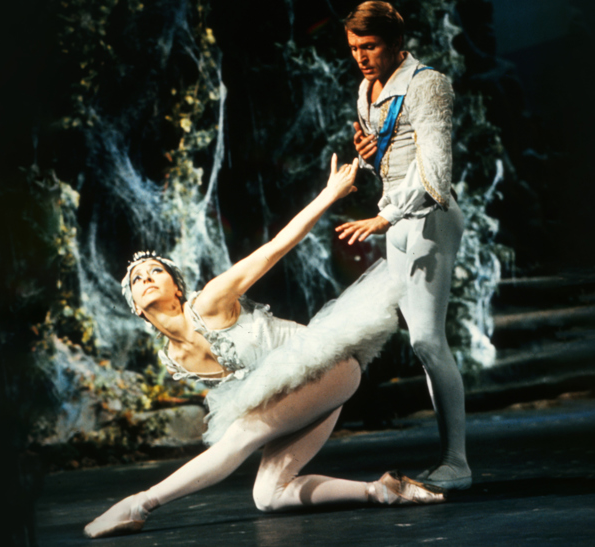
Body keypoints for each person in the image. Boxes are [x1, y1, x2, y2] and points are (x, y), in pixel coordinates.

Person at [84, 155, 444, 539]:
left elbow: (275, 247)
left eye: (157, 270)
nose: (147, 278)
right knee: (270, 495)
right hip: (303, 393)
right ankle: (384, 491)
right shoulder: (174, 359)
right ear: (136, 307)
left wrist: (328, 194)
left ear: (177, 286)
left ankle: (139, 504)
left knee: (241, 435)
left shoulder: (209, 303)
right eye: (137, 279)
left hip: (328, 364)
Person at [335, 1, 473, 491]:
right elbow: (391, 161)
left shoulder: (427, 84)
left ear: (396, 43)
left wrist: (384, 216)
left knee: (428, 340)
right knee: (421, 344)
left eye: (370, 46)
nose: (361, 57)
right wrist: (370, 157)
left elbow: (435, 170)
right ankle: (450, 459)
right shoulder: (366, 90)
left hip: (429, 216)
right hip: (396, 219)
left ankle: (457, 462)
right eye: (354, 48)